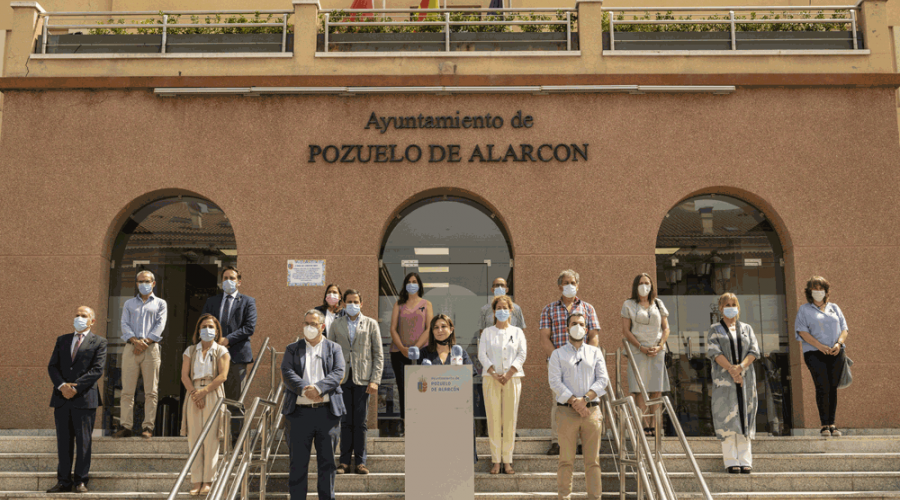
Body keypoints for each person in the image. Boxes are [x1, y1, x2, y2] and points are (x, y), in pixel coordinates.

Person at [282, 309, 346, 500]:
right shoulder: (292, 348)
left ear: (322, 326)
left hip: (327, 414)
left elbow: (338, 373)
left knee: (327, 465)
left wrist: (318, 389)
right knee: (297, 464)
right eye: (306, 323)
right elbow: (287, 371)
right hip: (299, 415)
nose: (309, 327)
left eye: (313, 324)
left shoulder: (334, 348)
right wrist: (305, 389)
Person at [46, 306, 108, 494]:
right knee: (64, 442)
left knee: (83, 442)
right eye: (77, 315)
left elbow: (97, 369)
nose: (79, 318)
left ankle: (80, 481)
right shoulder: (62, 340)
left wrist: (75, 387)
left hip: (84, 398)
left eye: (84, 315)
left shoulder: (99, 342)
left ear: (92, 321)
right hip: (62, 398)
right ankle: (63, 481)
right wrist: (62, 386)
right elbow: (52, 366)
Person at [548, 312, 609, 500]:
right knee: (566, 461)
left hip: (591, 412)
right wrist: (575, 401)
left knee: (593, 462)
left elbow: (603, 380)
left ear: (586, 329)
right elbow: (554, 383)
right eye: (574, 323)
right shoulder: (557, 354)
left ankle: (595, 497)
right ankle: (564, 497)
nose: (578, 326)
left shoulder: (595, 352)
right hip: (566, 413)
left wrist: (585, 399)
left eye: (581, 324)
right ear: (567, 328)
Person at [539, 269, 600, 455]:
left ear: (578, 285)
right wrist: (558, 359)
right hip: (557, 363)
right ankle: (557, 441)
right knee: (559, 401)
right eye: (566, 283)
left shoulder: (588, 309)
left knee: (583, 398)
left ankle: (582, 441)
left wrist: (589, 358)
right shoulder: (548, 309)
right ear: (560, 286)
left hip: (583, 363)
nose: (570, 286)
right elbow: (544, 338)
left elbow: (594, 336)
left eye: (573, 282)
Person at [201, 266, 257, 443]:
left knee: (234, 400)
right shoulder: (212, 301)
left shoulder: (248, 301)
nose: (228, 281)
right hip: (212, 356)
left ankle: (236, 441)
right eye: (225, 277)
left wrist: (227, 340)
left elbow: (249, 328)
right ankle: (212, 436)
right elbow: (203, 324)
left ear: (239, 281)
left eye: (232, 278)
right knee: (211, 397)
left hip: (237, 356)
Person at [330, 289, 384, 475]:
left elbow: (378, 354)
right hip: (342, 379)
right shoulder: (336, 324)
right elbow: (329, 353)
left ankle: (361, 462)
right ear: (343, 303)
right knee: (345, 421)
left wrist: (375, 379)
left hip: (363, 379)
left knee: (360, 422)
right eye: (349, 301)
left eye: (356, 301)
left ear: (361, 303)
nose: (352, 304)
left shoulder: (371, 324)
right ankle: (344, 462)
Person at [707, 292, 760, 474]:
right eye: (727, 304)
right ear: (721, 308)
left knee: (745, 417)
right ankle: (731, 461)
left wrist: (740, 368)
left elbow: (754, 350)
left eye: (733, 303)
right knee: (727, 418)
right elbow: (714, 352)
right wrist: (731, 369)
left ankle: (745, 460)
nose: (731, 307)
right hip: (724, 382)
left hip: (745, 379)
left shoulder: (747, 328)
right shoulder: (715, 329)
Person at [179, 314, 230, 496]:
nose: (207, 330)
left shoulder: (221, 351)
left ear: (216, 332)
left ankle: (208, 480)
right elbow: (184, 375)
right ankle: (196, 480)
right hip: (192, 393)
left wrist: (204, 392)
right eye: (203, 326)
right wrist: (195, 393)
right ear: (198, 331)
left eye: (211, 327)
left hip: (213, 392)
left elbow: (222, 376)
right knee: (194, 438)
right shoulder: (190, 350)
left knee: (211, 439)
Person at [418, 314, 478, 464]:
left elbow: (469, 375)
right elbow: (418, 382)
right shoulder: (424, 353)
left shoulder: (460, 352)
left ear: (451, 329)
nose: (440, 330)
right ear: (431, 331)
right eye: (436, 327)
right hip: (433, 410)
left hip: (457, 408)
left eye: (443, 326)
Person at [794, 276, 849, 437]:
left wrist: (838, 344)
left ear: (826, 291)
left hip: (836, 352)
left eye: (821, 288)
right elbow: (802, 331)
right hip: (814, 353)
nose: (818, 292)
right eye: (815, 288)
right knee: (822, 386)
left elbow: (844, 329)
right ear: (809, 291)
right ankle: (824, 424)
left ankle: (833, 424)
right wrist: (820, 346)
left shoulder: (835, 308)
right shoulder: (804, 309)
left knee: (832, 387)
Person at [478, 295, 527, 475]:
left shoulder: (518, 332)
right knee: (493, 420)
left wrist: (509, 373)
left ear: (511, 310)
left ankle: (508, 460)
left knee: (509, 420)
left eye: (505, 307)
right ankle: (495, 461)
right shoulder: (487, 332)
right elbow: (482, 355)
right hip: (491, 379)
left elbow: (522, 354)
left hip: (512, 379)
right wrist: (493, 372)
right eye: (498, 307)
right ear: (493, 311)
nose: (502, 311)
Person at [115, 270, 167, 439]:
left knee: (151, 390)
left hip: (151, 349)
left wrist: (145, 342)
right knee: (127, 391)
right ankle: (126, 426)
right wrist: (135, 341)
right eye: (140, 281)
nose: (143, 284)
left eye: (147, 281)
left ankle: (148, 427)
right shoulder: (129, 304)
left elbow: (160, 325)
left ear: (153, 283)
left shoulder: (160, 303)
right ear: (136, 284)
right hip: (131, 347)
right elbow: (124, 324)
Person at [620, 273, 670, 437]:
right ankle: (644, 424)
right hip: (637, 351)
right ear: (635, 286)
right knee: (639, 388)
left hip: (657, 351)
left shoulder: (658, 303)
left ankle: (655, 424)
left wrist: (660, 345)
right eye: (641, 283)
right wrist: (640, 346)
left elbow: (666, 328)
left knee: (656, 388)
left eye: (647, 283)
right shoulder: (628, 304)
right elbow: (626, 330)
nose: (644, 286)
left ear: (652, 286)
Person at [388, 272, 432, 436]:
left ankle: (421, 422)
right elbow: (392, 328)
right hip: (399, 353)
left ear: (419, 285)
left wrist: (416, 348)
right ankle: (406, 424)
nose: (412, 284)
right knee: (404, 388)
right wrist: (403, 348)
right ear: (405, 285)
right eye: (409, 281)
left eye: (415, 281)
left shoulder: (425, 304)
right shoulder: (398, 305)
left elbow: (429, 328)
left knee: (421, 387)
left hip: (421, 352)